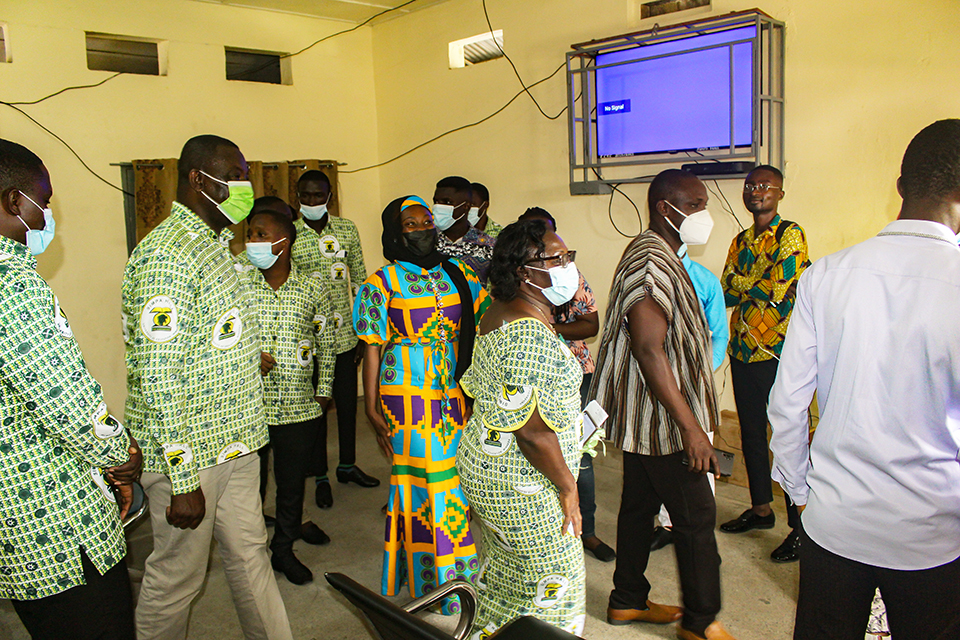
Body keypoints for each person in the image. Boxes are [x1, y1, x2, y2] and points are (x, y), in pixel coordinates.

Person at [768, 119, 960, 639]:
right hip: (932, 533)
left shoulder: (826, 274)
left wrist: (799, 489)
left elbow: (787, 404)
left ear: (899, 187)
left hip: (835, 522)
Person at [123, 135, 292, 640]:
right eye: (233, 175)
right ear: (198, 179)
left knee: (251, 558)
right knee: (177, 577)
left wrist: (243, 358)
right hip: (190, 455)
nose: (244, 186)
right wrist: (182, 480)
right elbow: (157, 375)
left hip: (239, 440)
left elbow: (202, 339)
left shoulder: (220, 247)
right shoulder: (167, 255)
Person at [0, 139, 142, 639]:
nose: (47, 215)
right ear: (16, 201)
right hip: (56, 530)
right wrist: (122, 454)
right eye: (45, 200)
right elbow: (71, 407)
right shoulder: (13, 285)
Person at [591, 169, 734, 640]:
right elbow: (649, 349)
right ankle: (700, 623)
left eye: (702, 204)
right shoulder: (652, 263)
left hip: (646, 416)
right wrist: (692, 429)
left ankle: (627, 600)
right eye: (693, 205)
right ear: (663, 207)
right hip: (662, 422)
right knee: (696, 519)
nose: (702, 214)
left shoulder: (662, 253)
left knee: (637, 507)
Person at [354, 195, 488, 613]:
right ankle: (440, 582)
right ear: (395, 232)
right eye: (410, 224)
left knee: (453, 483)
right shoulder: (381, 282)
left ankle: (447, 578)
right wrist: (371, 405)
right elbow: (371, 348)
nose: (422, 228)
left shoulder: (458, 272)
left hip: (451, 389)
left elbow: (486, 316)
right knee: (425, 484)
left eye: (426, 220)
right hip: (404, 396)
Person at [456, 219, 587, 637]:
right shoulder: (528, 333)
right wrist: (568, 488)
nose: (567, 266)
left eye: (568, 256)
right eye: (556, 258)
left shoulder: (499, 311)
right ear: (522, 272)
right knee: (557, 587)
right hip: (523, 481)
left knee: (506, 580)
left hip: (490, 468)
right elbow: (530, 431)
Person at [241, 204, 336, 585]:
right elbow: (214, 335)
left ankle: (283, 549)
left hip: (299, 405)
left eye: (261, 235)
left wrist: (323, 392)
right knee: (250, 486)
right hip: (248, 403)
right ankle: (250, 556)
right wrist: (247, 355)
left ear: (285, 241)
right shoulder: (238, 281)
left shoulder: (313, 285)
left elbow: (326, 341)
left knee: (292, 484)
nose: (252, 242)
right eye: (250, 234)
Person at [719, 165, 809, 563]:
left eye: (764, 186)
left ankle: (800, 526)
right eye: (750, 186)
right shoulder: (740, 239)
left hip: (778, 351)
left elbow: (779, 288)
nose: (756, 191)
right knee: (752, 433)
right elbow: (725, 289)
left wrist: (747, 283)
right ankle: (760, 509)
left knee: (787, 435)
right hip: (742, 349)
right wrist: (752, 285)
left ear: (780, 193)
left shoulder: (792, 233)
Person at [517, 207, 615, 563]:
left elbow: (591, 324)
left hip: (576, 372)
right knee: (535, 451)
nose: (561, 261)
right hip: (534, 378)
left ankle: (584, 531)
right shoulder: (514, 294)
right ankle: (545, 524)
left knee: (578, 456)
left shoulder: (570, 279)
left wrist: (550, 330)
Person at [294, 170, 378, 510]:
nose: (312, 201)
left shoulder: (346, 229)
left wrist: (363, 332)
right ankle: (320, 477)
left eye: (319, 195)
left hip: (344, 335)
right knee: (316, 409)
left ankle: (346, 465)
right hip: (306, 338)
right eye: (306, 195)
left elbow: (359, 280)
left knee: (346, 404)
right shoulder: (290, 232)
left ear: (330, 195)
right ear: (297, 194)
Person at [653, 242, 729, 551]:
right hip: (657, 381)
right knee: (659, 452)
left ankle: (699, 524)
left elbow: (720, 333)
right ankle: (667, 522)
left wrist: (700, 372)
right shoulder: (650, 275)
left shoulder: (706, 281)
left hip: (695, 384)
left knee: (698, 454)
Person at [433, 176, 496, 282]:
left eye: (447, 202)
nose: (439, 207)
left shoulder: (488, 245)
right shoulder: (427, 241)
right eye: (436, 201)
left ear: (466, 206)